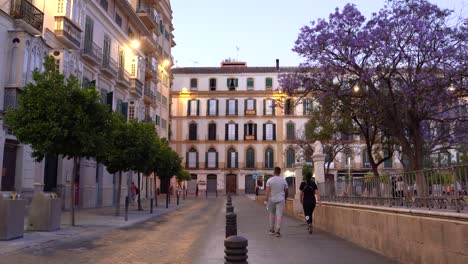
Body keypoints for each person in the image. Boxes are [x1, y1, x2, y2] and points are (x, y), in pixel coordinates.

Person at [265, 167, 288, 237]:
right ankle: (277, 230)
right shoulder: (284, 181)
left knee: (272, 214)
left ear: (274, 172)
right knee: (279, 215)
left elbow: (267, 191)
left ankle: (272, 229)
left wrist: (266, 200)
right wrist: (285, 198)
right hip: (281, 199)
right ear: (280, 172)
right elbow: (286, 191)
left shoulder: (269, 180)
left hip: (272, 199)